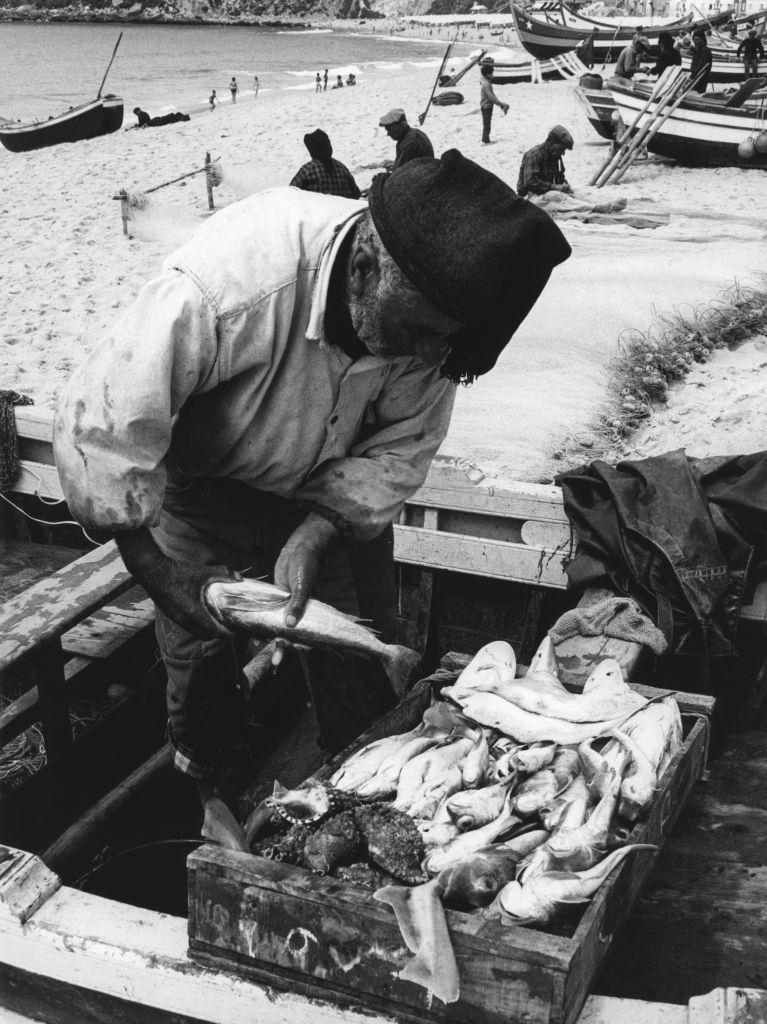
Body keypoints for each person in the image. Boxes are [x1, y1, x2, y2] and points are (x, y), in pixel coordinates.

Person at [52, 150, 570, 847]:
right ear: (361, 269)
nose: (426, 352)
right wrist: (159, 575)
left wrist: (317, 528)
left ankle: (357, 790)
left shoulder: (436, 323)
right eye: (415, 330)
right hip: (202, 491)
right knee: (198, 657)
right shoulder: (227, 285)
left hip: (331, 496)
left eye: (439, 339)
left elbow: (401, 448)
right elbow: (105, 432)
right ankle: (211, 797)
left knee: (364, 655)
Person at [289, 128, 361, 199]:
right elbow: (356, 194)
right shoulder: (342, 168)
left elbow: (289, 195)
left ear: (312, 151)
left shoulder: (307, 170)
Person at [517, 125, 574, 198]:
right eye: (561, 148)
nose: (563, 153)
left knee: (574, 195)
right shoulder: (534, 155)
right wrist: (554, 187)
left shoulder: (556, 156)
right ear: (551, 142)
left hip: (545, 192)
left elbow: (560, 178)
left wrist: (565, 186)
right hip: (529, 197)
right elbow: (530, 182)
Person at [479, 64, 509, 145]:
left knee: (487, 123)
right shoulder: (487, 84)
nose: (492, 75)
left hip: (486, 106)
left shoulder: (484, 81)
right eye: (491, 73)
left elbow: (481, 79)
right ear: (487, 74)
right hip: (486, 106)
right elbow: (491, 97)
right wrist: (500, 104)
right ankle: (485, 140)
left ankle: (486, 139)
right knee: (487, 124)